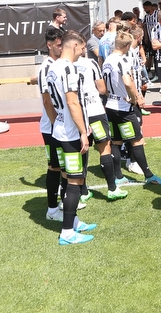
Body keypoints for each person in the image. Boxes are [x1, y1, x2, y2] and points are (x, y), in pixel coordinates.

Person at [43, 31, 97, 245]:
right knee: (75, 181)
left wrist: (58, 120)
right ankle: (67, 232)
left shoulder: (52, 68)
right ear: (74, 46)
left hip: (59, 130)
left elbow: (48, 102)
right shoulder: (68, 68)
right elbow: (73, 102)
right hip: (70, 134)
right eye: (82, 48)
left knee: (67, 178)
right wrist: (83, 131)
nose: (83, 52)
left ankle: (73, 221)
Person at [102, 31, 161, 186]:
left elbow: (104, 85)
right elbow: (127, 81)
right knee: (137, 141)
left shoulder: (107, 60)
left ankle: (118, 176)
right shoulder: (122, 60)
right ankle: (149, 175)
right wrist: (134, 99)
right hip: (123, 107)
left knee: (117, 141)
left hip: (111, 105)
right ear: (126, 46)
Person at [74, 50, 127, 201]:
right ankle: (112, 188)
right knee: (104, 148)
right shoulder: (91, 63)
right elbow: (102, 89)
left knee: (82, 150)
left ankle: (83, 191)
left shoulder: (67, 65)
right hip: (95, 111)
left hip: (79, 114)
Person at [38, 27, 69, 224]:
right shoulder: (46, 68)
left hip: (59, 125)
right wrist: (56, 122)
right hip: (51, 127)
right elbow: (47, 101)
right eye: (58, 45)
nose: (61, 48)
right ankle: (51, 209)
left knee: (63, 166)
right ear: (49, 45)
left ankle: (65, 202)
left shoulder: (57, 65)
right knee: (54, 168)